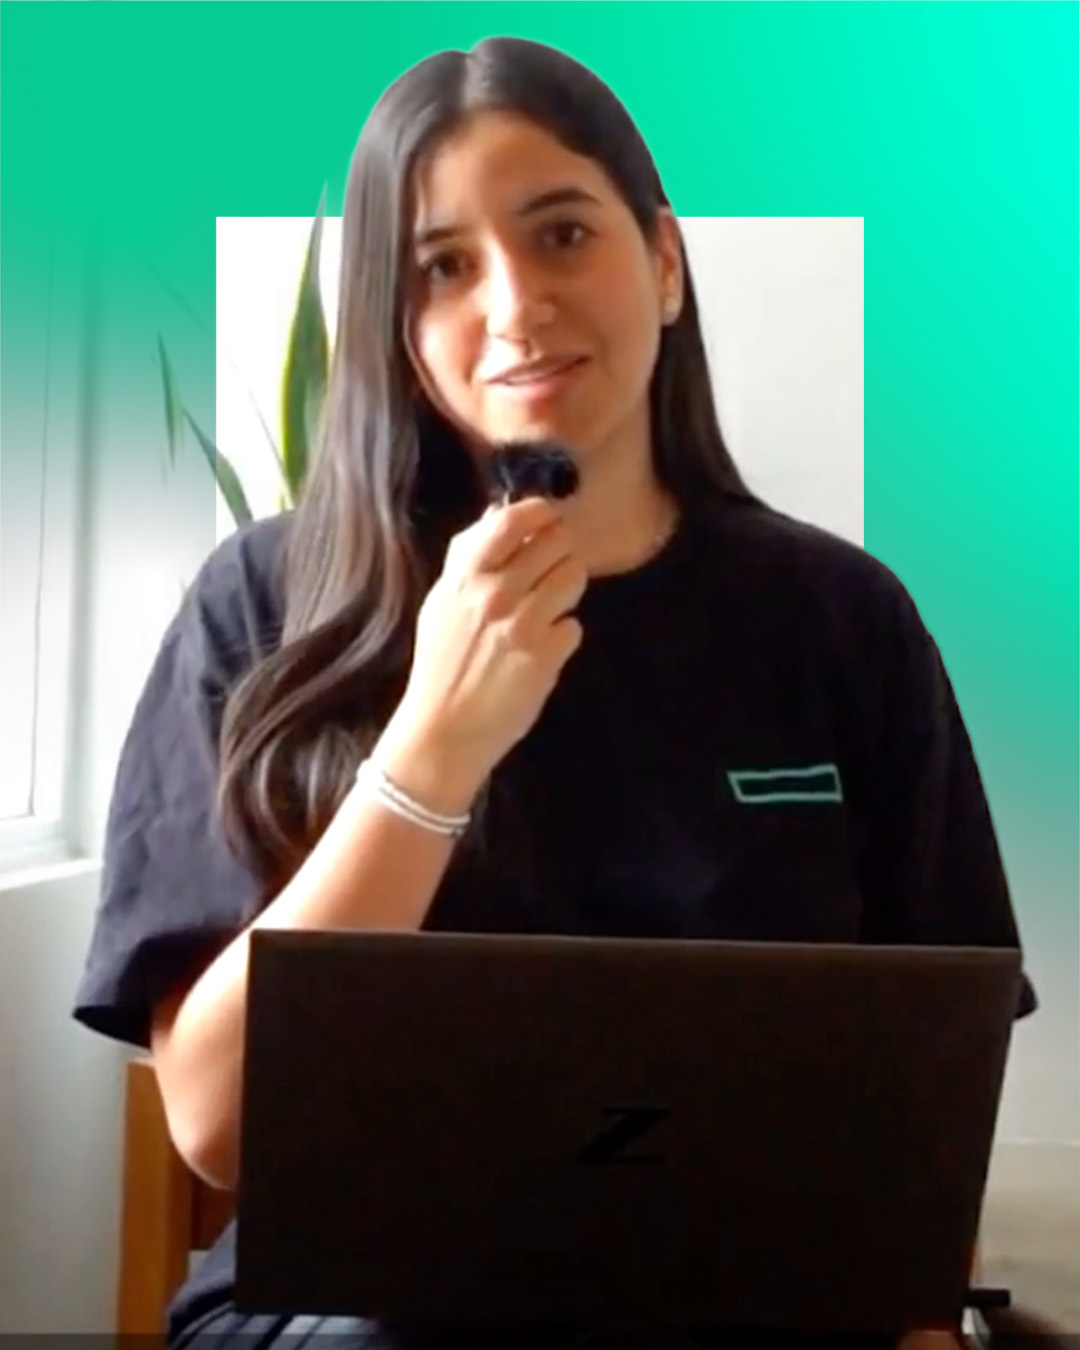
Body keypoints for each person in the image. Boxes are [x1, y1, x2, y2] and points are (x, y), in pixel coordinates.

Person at [73, 35, 1036, 1350]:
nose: (515, 306)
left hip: (756, 1299)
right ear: (402, 334)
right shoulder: (262, 604)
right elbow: (216, 1121)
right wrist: (432, 748)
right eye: (444, 268)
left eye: (564, 233)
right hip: (358, 1311)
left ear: (666, 260)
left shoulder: (842, 623)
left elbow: (936, 1080)